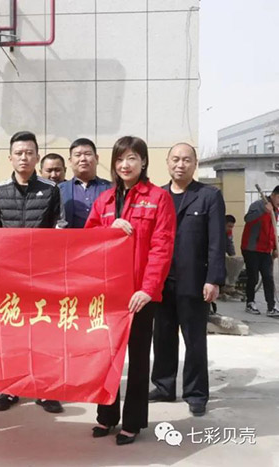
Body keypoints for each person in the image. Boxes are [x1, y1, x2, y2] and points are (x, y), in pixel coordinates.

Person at [85, 136, 176, 445]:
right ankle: (106, 416)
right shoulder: (104, 200)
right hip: (108, 294)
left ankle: (133, 422)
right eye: (120, 159)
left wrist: (148, 289)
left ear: (144, 162)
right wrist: (107, 229)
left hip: (139, 295)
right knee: (107, 358)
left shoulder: (158, 198)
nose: (125, 165)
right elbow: (88, 240)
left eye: (132, 158)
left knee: (137, 360)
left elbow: (162, 247)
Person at [0, 131, 64, 414]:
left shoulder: (51, 190)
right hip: (9, 276)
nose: (24, 158)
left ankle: (45, 388)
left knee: (43, 332)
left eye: (29, 153)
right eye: (19, 153)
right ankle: (10, 388)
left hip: (43, 275)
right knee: (10, 333)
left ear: (37, 157)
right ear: (10, 157)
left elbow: (61, 228)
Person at [149, 143, 226, 417]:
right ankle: (164, 386)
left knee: (194, 341)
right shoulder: (158, 195)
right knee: (162, 336)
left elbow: (217, 241)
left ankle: (196, 393)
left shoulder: (208, 196)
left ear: (195, 164)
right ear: (167, 162)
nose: (180, 165)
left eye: (186, 160)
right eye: (175, 159)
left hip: (194, 281)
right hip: (162, 280)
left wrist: (213, 279)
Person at [241, 186, 279, 317]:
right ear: (273, 195)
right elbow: (248, 219)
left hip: (265, 250)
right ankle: (250, 302)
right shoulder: (258, 205)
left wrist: (274, 248)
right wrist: (264, 210)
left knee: (268, 278)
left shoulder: (275, 211)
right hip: (251, 248)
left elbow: (272, 231)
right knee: (253, 277)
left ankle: (271, 306)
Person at [59, 138, 111, 229]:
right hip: (70, 237)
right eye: (77, 155)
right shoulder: (59, 189)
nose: (83, 159)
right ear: (70, 161)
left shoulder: (110, 188)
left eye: (88, 154)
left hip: (102, 237)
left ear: (97, 158)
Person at [221, 214, 244, 298]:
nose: (230, 229)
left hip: (221, 254)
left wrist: (233, 256)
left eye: (232, 227)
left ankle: (229, 286)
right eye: (229, 226)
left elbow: (229, 244)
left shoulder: (228, 233)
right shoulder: (216, 231)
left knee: (234, 262)